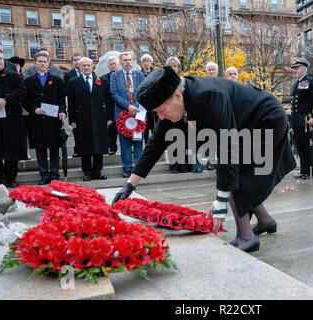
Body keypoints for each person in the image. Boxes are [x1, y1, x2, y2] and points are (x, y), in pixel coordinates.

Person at [112, 66, 296, 253]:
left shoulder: (210, 97)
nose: (160, 117)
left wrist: (220, 202)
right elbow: (155, 145)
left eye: (160, 110)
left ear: (177, 97)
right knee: (236, 173)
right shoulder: (176, 98)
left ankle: (246, 236)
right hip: (244, 124)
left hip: (265, 120)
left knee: (234, 172)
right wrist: (130, 184)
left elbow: (227, 150)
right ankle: (265, 221)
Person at [24, 52, 66, 185]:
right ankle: (44, 174)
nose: (42, 64)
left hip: (53, 120)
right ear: (35, 63)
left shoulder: (58, 80)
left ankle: (54, 174)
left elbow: (61, 100)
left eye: (44, 61)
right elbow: (25, 100)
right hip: (36, 120)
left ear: (48, 64)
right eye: (39, 61)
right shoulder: (28, 81)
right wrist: (34, 109)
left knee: (54, 148)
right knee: (40, 149)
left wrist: (62, 112)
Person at [67, 57, 110, 181]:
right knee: (84, 146)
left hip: (99, 119)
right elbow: (71, 103)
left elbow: (107, 101)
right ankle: (87, 172)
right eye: (83, 65)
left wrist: (109, 118)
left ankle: (98, 171)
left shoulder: (102, 82)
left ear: (93, 66)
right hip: (82, 119)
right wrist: (72, 120)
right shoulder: (73, 82)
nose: (86, 67)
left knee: (98, 145)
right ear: (79, 67)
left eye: (88, 65)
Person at [0, 49, 27, 188]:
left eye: (0, 58)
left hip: (11, 120)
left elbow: (22, 92)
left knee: (11, 150)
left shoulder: (14, 76)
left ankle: (10, 178)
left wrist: (5, 99)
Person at [110, 52, 145, 178]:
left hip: (138, 114)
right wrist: (128, 106)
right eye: (125, 60)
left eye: (130, 60)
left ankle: (139, 168)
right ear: (120, 62)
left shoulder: (139, 75)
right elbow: (114, 93)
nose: (128, 62)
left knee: (138, 142)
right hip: (122, 115)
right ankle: (127, 168)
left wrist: (134, 106)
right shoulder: (115, 76)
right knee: (124, 143)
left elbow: (143, 91)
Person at [290, 58, 313, 179]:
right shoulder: (297, 83)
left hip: (307, 120)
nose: (294, 71)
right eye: (293, 68)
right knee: (300, 147)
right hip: (297, 120)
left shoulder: (310, 81)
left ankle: (310, 171)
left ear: (304, 69)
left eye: (296, 68)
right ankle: (303, 171)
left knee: (308, 147)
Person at [165, 56, 188, 174]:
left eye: (175, 66)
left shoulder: (183, 81)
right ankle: (173, 166)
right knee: (172, 140)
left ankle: (182, 165)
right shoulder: (163, 81)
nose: (173, 68)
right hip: (169, 114)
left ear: (178, 68)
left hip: (182, 114)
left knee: (183, 140)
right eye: (171, 66)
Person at [64, 53, 83, 158]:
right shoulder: (68, 74)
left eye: (79, 59)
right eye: (75, 60)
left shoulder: (89, 72)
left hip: (86, 105)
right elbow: (66, 90)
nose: (77, 61)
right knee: (76, 128)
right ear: (72, 62)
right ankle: (77, 149)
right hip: (75, 105)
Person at [101, 56, 120, 155]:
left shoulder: (123, 76)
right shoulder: (103, 79)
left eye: (115, 64)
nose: (113, 65)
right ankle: (111, 147)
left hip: (122, 105)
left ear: (118, 65)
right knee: (111, 128)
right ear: (108, 66)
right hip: (110, 106)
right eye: (111, 64)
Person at [140, 54, 157, 145]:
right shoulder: (139, 74)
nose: (146, 63)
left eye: (148, 61)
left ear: (151, 62)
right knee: (144, 124)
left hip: (154, 102)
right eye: (144, 61)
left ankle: (154, 143)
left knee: (154, 123)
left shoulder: (156, 74)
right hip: (143, 103)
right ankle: (146, 142)